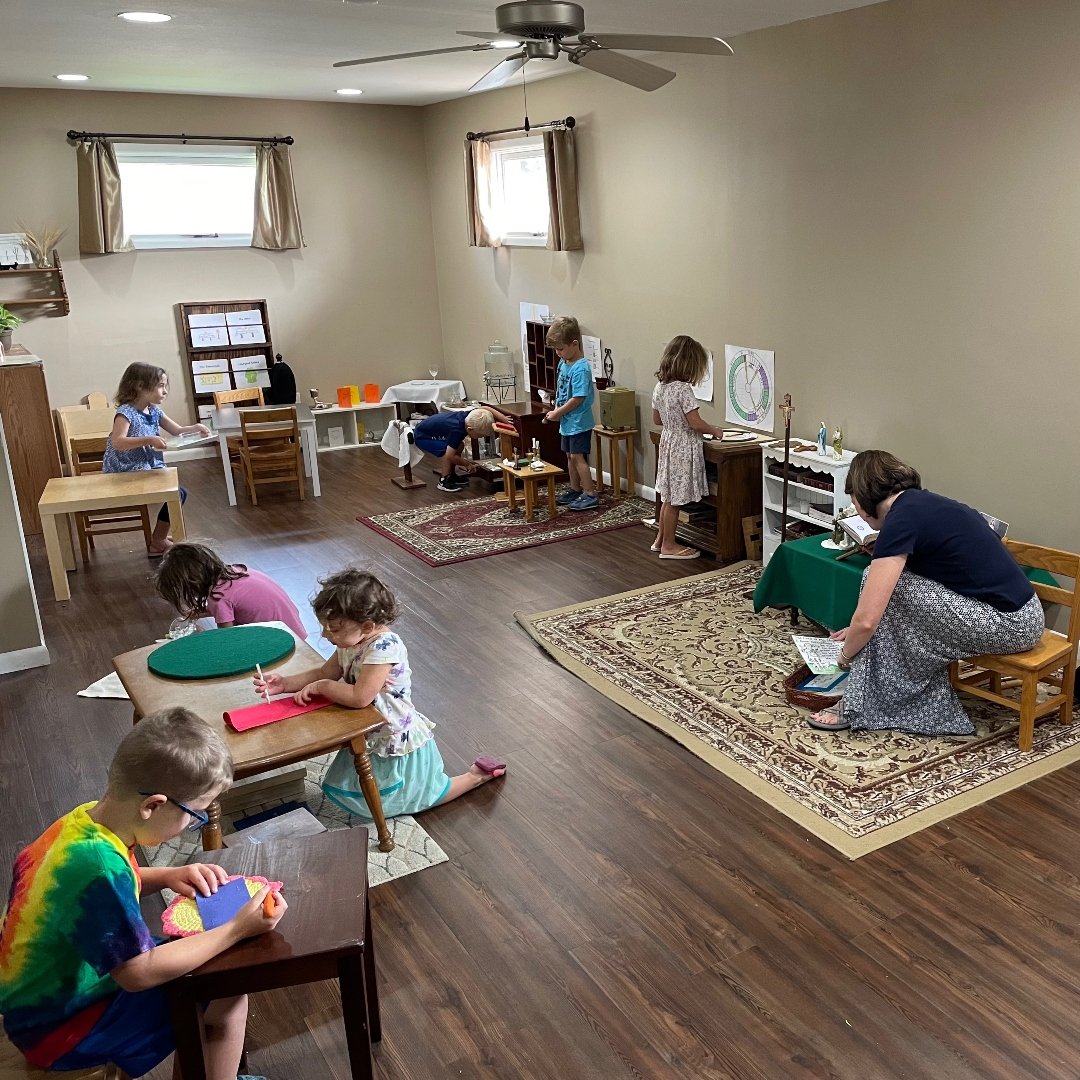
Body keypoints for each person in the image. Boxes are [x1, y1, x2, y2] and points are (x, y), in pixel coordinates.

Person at [0, 707, 286, 1079]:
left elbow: (113, 882)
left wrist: (168, 875)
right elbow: (138, 974)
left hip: (39, 1002)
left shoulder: (83, 824)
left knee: (212, 977)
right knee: (223, 986)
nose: (193, 826)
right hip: (63, 1029)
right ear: (154, 806)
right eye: (195, 815)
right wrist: (237, 929)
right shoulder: (99, 869)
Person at [807, 450, 1045, 736]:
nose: (856, 510)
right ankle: (884, 691)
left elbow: (869, 618)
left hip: (1010, 624)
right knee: (889, 594)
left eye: (854, 503)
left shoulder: (901, 520)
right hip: (1024, 614)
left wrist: (845, 657)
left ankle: (866, 702)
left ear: (865, 497)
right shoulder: (922, 503)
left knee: (877, 582)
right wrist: (859, 630)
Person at [254, 568, 506, 819]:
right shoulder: (351, 642)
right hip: (370, 726)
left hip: (392, 731)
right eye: (325, 627)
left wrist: (323, 688)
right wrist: (285, 684)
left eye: (333, 629)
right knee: (377, 783)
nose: (325, 635)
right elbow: (325, 671)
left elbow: (359, 697)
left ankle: (475, 777)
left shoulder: (385, 647)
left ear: (367, 626)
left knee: (427, 794)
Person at [102, 362, 210, 556]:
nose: (165, 391)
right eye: (160, 385)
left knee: (178, 493)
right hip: (126, 470)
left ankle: (159, 539)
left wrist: (195, 428)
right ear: (140, 386)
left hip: (146, 468)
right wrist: (149, 439)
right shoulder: (125, 413)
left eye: (165, 385)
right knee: (177, 493)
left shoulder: (153, 411)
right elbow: (118, 442)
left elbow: (176, 430)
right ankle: (158, 540)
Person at [650, 335, 726, 559]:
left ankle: (660, 540)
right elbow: (695, 422)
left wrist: (673, 422)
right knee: (676, 500)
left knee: (668, 496)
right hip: (683, 445)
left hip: (668, 441)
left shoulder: (660, 386)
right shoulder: (683, 389)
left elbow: (656, 419)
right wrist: (714, 430)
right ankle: (669, 546)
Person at [155, 540, 307, 639]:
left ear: (191, 585)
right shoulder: (234, 572)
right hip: (295, 630)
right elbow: (236, 603)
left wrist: (198, 638)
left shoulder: (217, 597)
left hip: (282, 640)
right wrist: (199, 612)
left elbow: (228, 639)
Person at [541, 316, 598, 510]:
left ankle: (590, 492)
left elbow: (578, 398)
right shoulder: (564, 362)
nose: (558, 353)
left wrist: (558, 412)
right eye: (555, 350)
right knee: (568, 455)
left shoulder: (581, 369)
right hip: (567, 420)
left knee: (577, 456)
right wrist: (557, 409)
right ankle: (575, 489)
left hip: (579, 421)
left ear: (574, 344)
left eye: (560, 349)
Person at [412, 404, 514, 492]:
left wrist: (503, 418)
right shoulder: (457, 430)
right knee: (446, 453)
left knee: (459, 445)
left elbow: (486, 408)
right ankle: (444, 481)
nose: (481, 438)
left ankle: (451, 474)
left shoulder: (471, 416)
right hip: (422, 436)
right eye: (479, 436)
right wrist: (466, 464)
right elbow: (450, 456)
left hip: (428, 430)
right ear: (470, 429)